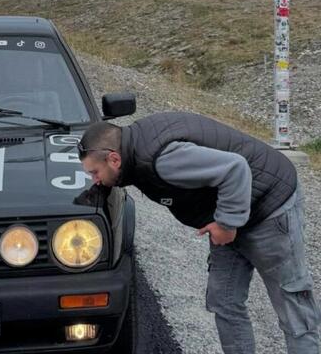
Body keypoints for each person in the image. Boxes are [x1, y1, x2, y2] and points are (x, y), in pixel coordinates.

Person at [77, 112, 321, 354]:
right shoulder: (132, 149)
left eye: (94, 173)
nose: (95, 180)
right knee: (223, 301)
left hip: (269, 206)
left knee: (293, 307)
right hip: (228, 209)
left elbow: (235, 169)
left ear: (114, 159)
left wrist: (226, 225)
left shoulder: (162, 159)